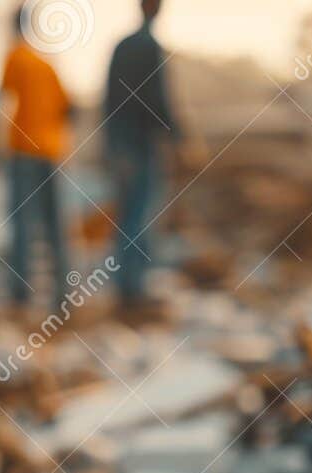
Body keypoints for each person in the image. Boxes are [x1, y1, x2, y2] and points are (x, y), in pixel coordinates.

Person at [0, 6, 73, 308]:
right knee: (54, 224)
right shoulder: (46, 62)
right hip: (51, 152)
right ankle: (62, 293)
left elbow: (1, 99)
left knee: (23, 222)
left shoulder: (15, 56)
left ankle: (21, 295)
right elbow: (69, 107)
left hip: (23, 152)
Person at [102, 0, 181, 313]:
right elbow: (160, 99)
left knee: (127, 213)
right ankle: (133, 288)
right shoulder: (150, 48)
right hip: (141, 142)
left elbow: (106, 97)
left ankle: (126, 285)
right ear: (158, 10)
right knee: (140, 212)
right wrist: (178, 137)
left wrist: (109, 145)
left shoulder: (122, 46)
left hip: (121, 141)